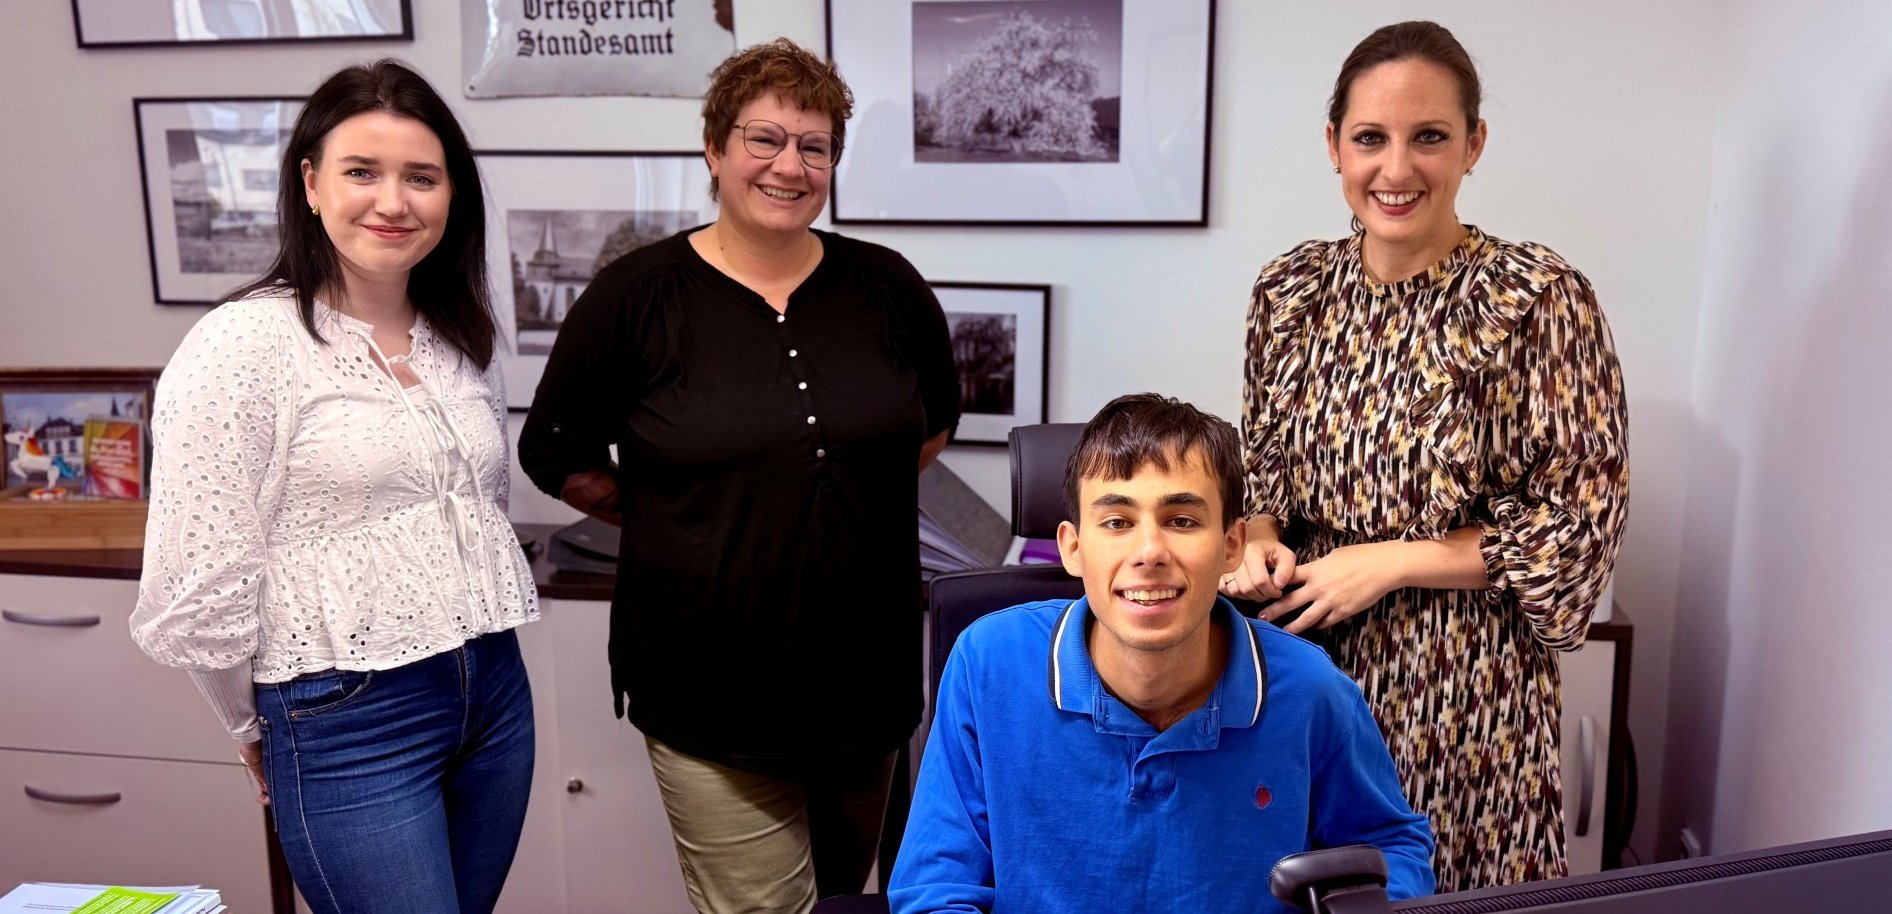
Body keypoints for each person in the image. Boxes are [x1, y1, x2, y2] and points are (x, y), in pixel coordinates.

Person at [517, 38, 960, 914]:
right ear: (715, 151)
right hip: (707, 684)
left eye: (815, 146)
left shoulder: (888, 287)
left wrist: (828, 491)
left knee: (845, 898)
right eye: (763, 140)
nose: (788, 166)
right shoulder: (635, 297)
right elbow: (553, 452)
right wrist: (672, 512)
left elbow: (931, 426)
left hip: (865, 685)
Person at [1227, 21, 1630, 891]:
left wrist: (1393, 563)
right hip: (1305, 674)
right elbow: (1263, 468)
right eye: (1370, 137)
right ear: (1333, 145)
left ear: (1474, 144)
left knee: (1446, 888)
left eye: (1430, 137)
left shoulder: (1536, 300)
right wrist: (1257, 538)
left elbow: (1577, 530)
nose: (1397, 169)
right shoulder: (1287, 292)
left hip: (1468, 694)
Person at [130, 60, 540, 914]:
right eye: (363, 172)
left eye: (421, 178)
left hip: (493, 693)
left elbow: (473, 514)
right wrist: (252, 728)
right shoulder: (242, 346)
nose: (394, 201)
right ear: (311, 183)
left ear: (450, 196)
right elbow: (200, 577)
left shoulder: (458, 340)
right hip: (348, 717)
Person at [890, 394, 1436, 912]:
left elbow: (1390, 848)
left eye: (1182, 520)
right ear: (1073, 549)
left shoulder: (1311, 690)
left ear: (1231, 545)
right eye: (1116, 522)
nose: (1149, 551)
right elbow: (938, 885)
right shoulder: (988, 664)